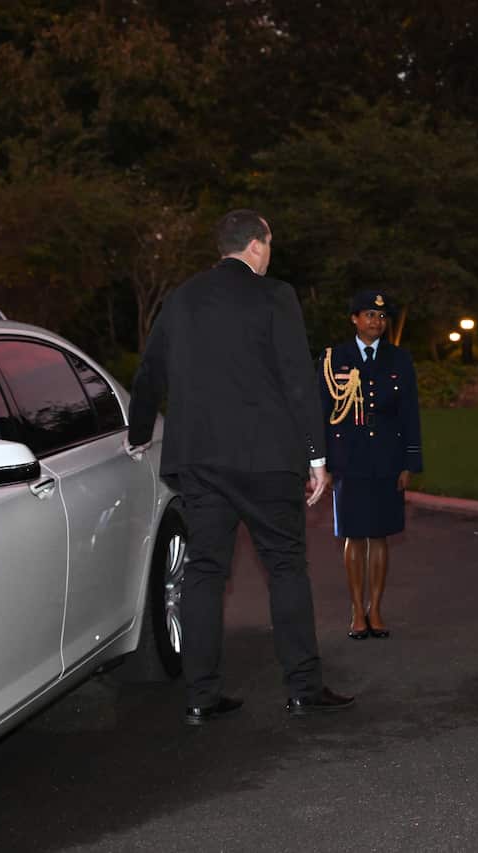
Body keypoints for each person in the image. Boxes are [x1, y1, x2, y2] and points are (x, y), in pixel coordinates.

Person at [127, 209, 355, 725]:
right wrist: (316, 456)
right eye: (269, 243)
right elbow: (298, 377)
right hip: (267, 459)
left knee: (204, 572)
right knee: (285, 567)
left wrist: (138, 434)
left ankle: (200, 695)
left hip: (200, 460)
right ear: (256, 245)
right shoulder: (275, 295)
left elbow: (149, 373)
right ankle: (303, 687)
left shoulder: (182, 297)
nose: (269, 252)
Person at [319, 290, 422, 640]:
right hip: (349, 459)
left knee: (380, 536)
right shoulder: (334, 359)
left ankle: (375, 609)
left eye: (380, 317)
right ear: (354, 319)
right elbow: (322, 414)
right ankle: (355, 610)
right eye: (368, 315)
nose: (375, 322)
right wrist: (321, 462)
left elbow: (410, 414)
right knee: (353, 536)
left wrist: (409, 461)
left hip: (387, 460)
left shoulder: (399, 359)